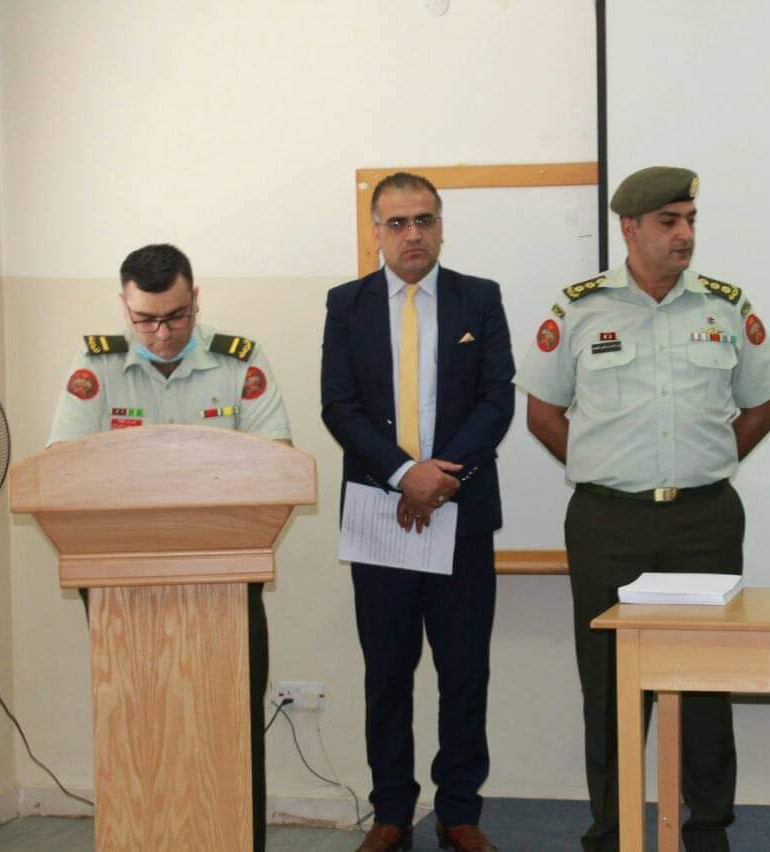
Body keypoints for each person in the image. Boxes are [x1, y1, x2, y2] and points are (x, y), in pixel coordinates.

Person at [515, 166, 770, 852]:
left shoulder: (726, 307)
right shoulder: (578, 310)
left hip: (704, 519)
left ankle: (708, 828)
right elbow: (543, 414)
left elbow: (761, 409)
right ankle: (614, 830)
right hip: (609, 521)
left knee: (706, 681)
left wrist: (703, 466)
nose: (684, 234)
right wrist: (606, 471)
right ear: (630, 228)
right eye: (669, 221)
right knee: (609, 681)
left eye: (690, 220)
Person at [48, 242, 291, 852]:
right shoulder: (95, 366)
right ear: (124, 307)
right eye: (145, 320)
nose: (161, 334)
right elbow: (62, 472)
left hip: (225, 582)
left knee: (231, 726)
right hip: (119, 587)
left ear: (196, 298)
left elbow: (276, 468)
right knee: (135, 728)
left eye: (176, 316)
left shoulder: (239, 362)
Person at [321, 172, 514, 852]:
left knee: (464, 672)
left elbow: (497, 400)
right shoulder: (346, 305)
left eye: (424, 220)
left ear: (441, 227)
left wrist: (439, 478)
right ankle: (392, 813)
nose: (413, 234)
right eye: (398, 223)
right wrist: (405, 475)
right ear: (376, 231)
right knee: (387, 675)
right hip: (380, 515)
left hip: (460, 514)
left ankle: (459, 811)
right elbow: (338, 405)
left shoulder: (479, 297)